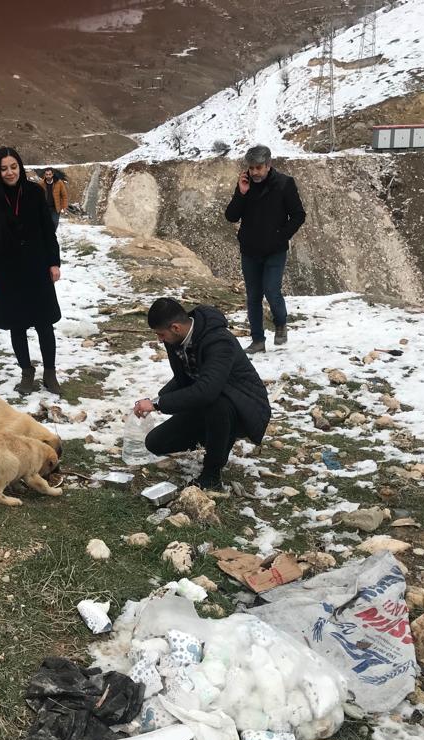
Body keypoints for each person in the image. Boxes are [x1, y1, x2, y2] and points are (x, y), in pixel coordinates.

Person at [133, 298, 271, 490]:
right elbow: (184, 377)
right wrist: (157, 399)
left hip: (243, 406)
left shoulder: (219, 341)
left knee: (217, 404)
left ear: (175, 328)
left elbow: (207, 390)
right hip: (208, 403)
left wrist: (158, 404)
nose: (159, 339)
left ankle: (212, 475)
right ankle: (216, 437)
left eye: (161, 334)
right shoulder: (175, 340)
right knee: (156, 443)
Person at [0, 147, 63, 396]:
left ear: (20, 167)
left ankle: (50, 372)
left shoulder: (35, 193)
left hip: (37, 267)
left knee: (44, 323)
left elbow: (48, 231)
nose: (9, 172)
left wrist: (54, 262)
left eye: (13, 167)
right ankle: (27, 372)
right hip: (8, 270)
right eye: (3, 168)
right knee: (17, 325)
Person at [225, 144, 306, 353]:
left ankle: (280, 323)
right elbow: (231, 216)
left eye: (258, 168)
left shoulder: (285, 184)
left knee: (271, 290)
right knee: (253, 296)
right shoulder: (245, 185)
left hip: (274, 251)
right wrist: (241, 194)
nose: (254, 172)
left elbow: (298, 215)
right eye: (251, 168)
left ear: (268, 165)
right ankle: (258, 341)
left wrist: (281, 236)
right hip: (250, 251)